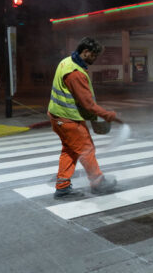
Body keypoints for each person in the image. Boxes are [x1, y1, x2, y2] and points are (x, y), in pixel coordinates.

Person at [48, 37, 120, 199]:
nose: (95, 59)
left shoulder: (66, 62)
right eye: (94, 55)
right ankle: (97, 182)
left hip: (58, 116)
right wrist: (108, 115)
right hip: (67, 118)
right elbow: (87, 104)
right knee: (87, 149)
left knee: (70, 150)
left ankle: (63, 186)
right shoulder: (75, 74)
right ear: (85, 52)